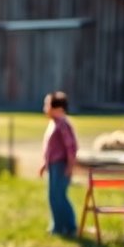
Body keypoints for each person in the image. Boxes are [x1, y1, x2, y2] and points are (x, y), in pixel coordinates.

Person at [39, 91, 78, 237]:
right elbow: (51, 148)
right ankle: (57, 226)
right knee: (53, 196)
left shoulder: (62, 125)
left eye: (47, 105)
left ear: (57, 108)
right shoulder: (54, 123)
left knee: (60, 196)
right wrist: (44, 164)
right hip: (53, 165)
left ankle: (70, 226)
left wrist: (69, 166)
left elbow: (71, 148)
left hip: (61, 165)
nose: (45, 108)